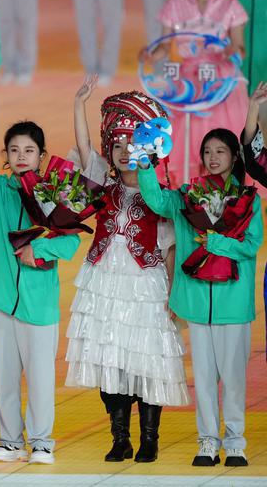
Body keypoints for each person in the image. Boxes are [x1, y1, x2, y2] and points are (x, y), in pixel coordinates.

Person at [65, 77, 188, 464]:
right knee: (110, 358)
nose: (123, 152)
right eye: (116, 145)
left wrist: (172, 293)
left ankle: (149, 438)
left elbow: (169, 247)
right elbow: (84, 150)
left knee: (147, 358)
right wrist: (78, 105)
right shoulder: (102, 181)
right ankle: (120, 437)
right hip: (103, 281)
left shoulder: (161, 195)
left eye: (132, 145)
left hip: (146, 283)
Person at [0, 113, 81, 465]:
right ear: (5, 156)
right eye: (14, 149)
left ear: (42, 155)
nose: (21, 155)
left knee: (40, 377)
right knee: (5, 376)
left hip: (39, 302)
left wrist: (37, 249)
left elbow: (70, 245)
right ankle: (10, 441)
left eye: (29, 149)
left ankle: (41, 442)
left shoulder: (56, 194)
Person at [138, 127, 260, 468]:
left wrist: (215, 243)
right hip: (197, 302)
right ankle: (207, 441)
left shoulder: (249, 198)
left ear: (234, 157)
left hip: (233, 304)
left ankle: (235, 441)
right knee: (204, 378)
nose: (213, 157)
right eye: (208, 151)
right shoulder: (188, 195)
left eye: (220, 151)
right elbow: (156, 201)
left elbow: (251, 246)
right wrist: (146, 166)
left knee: (234, 377)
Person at [143, 0, 249, 184]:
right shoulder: (174, 3)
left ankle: (226, 182)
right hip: (187, 77)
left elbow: (239, 48)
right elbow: (163, 46)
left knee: (223, 127)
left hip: (219, 76)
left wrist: (231, 51)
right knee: (180, 128)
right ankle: (187, 185)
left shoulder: (230, 5)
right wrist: (150, 56)